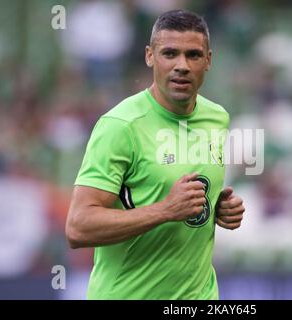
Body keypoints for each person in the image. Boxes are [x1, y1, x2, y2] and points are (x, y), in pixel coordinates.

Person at [65, 9, 245, 300]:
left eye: (193, 55)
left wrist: (216, 208)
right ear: (150, 56)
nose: (182, 66)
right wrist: (165, 210)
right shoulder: (120, 126)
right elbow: (78, 227)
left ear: (209, 60)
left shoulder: (217, 118)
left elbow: (182, 194)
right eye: (170, 53)